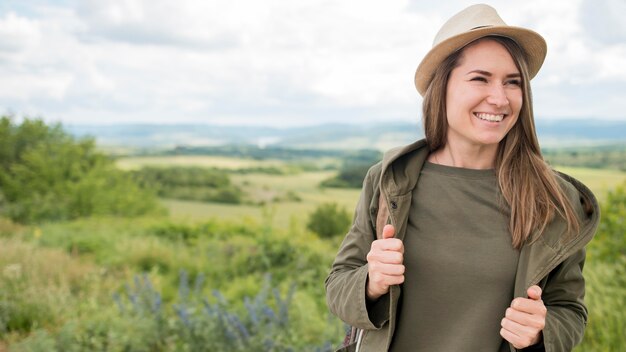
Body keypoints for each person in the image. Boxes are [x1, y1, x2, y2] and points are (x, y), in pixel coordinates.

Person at [325, 4, 599, 352]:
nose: (499, 98)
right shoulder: (389, 180)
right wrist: (371, 282)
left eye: (512, 82)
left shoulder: (554, 199)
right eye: (480, 78)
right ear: (443, 87)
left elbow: (570, 311)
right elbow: (338, 287)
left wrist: (541, 332)